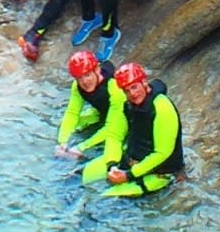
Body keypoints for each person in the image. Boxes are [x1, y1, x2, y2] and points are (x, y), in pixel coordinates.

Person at [79, 61, 184, 197]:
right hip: (131, 161)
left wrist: (128, 175)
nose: (132, 94)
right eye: (127, 90)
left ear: (144, 83)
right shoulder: (127, 105)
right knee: (83, 177)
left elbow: (162, 153)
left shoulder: (162, 107)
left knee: (106, 198)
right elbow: (114, 136)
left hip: (159, 171)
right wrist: (112, 166)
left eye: (134, 87)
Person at [55, 49, 115, 159]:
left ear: (97, 70)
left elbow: (115, 125)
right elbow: (72, 113)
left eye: (87, 75)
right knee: (65, 129)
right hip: (102, 114)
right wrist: (62, 142)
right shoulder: (77, 86)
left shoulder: (113, 86)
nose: (84, 82)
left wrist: (82, 147)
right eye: (79, 78)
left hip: (125, 120)